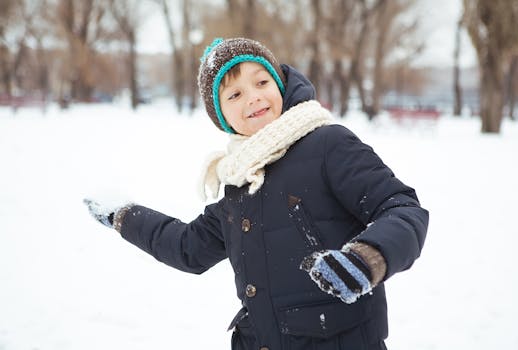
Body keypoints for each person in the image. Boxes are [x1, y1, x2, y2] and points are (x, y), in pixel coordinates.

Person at [84, 37, 428, 350]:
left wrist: (367, 258)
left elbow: (402, 209)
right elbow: (187, 248)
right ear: (223, 118)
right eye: (234, 95)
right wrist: (124, 216)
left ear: (279, 85)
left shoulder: (328, 144)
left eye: (262, 82)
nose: (253, 97)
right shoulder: (239, 182)